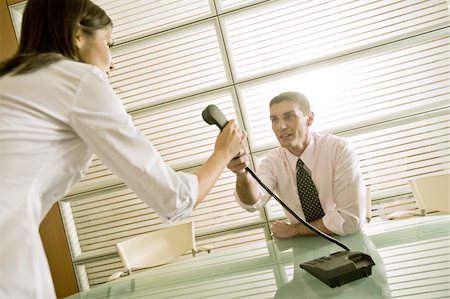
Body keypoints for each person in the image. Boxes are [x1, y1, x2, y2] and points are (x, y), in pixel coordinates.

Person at [0, 0, 245, 298]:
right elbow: (174, 198)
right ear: (78, 37)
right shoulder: (79, 78)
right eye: (108, 43)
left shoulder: (10, 81)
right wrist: (223, 152)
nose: (112, 61)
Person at [228, 91, 366, 239]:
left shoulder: (339, 149)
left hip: (349, 243)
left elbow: (349, 221)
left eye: (289, 116)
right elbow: (253, 202)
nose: (281, 126)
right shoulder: (272, 162)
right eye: (274, 119)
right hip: (304, 250)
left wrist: (294, 230)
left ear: (309, 118)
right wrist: (242, 174)